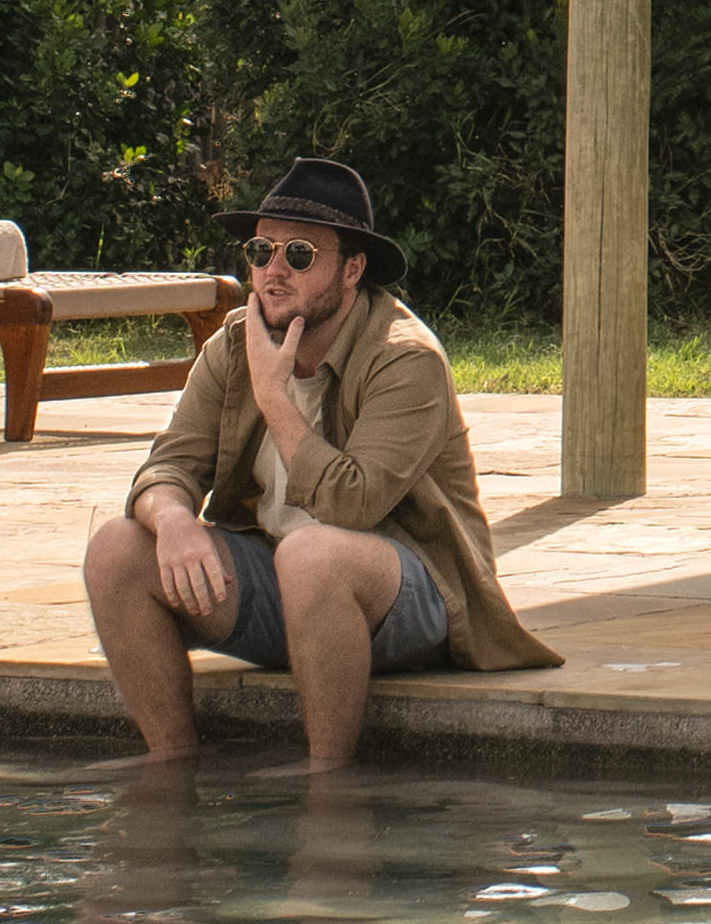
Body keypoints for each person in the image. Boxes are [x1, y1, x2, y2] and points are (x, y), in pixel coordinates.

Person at [84, 153, 554, 765]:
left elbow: (352, 506)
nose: (274, 272)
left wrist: (275, 398)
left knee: (314, 553)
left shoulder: (405, 359)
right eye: (261, 253)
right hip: (287, 584)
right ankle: (172, 770)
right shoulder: (234, 342)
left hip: (412, 595)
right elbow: (168, 466)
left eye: (299, 255)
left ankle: (327, 787)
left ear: (352, 268)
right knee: (118, 548)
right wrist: (172, 521)